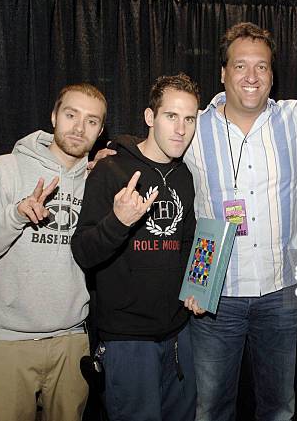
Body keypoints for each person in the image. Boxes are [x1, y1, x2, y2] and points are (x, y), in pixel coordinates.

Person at [179, 22, 297, 421]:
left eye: (262, 66)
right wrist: (110, 153)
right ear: (223, 73)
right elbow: (150, 147)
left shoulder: (295, 119)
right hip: (215, 294)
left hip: (281, 291)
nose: (252, 76)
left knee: (279, 407)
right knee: (211, 408)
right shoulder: (194, 127)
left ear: (273, 75)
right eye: (241, 65)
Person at [0, 83, 107, 421]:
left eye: (92, 121)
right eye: (71, 115)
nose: (80, 128)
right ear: (54, 116)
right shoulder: (4, 169)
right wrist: (15, 215)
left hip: (71, 342)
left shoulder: (98, 181)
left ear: (100, 131)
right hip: (9, 344)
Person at [70, 73, 200, 421]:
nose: (180, 129)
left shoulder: (185, 177)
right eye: (171, 116)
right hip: (127, 337)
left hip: (177, 331)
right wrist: (119, 221)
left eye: (189, 119)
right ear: (149, 117)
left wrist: (196, 288)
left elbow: (186, 243)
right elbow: (83, 252)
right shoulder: (111, 170)